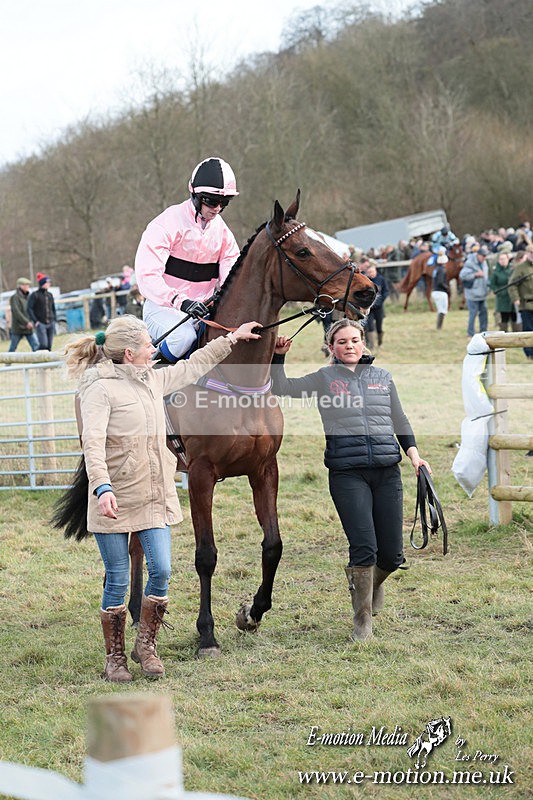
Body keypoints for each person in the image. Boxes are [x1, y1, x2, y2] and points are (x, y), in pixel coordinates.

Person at [63, 314, 262, 682]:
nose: (155, 349)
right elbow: (91, 444)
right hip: (115, 497)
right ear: (129, 352)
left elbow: (194, 364)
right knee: (119, 578)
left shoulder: (152, 379)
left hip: (155, 494)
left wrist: (232, 337)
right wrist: (102, 487)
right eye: (148, 345)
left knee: (164, 571)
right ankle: (116, 657)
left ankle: (147, 645)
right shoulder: (99, 389)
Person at [271, 319, 431, 642]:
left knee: (392, 555)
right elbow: (282, 388)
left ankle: (363, 584)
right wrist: (278, 358)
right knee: (365, 548)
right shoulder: (323, 379)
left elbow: (399, 419)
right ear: (331, 348)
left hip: (388, 471)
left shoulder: (382, 377)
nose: (349, 346)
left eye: (354, 340)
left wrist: (414, 455)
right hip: (347, 473)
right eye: (342, 342)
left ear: (363, 343)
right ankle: (362, 622)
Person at [135, 157, 240, 364]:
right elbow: (147, 278)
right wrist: (181, 301)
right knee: (183, 337)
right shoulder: (165, 224)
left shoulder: (223, 233)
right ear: (195, 194)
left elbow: (232, 275)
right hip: (163, 308)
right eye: (211, 200)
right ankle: (154, 378)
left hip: (203, 310)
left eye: (224, 203)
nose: (217, 208)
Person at [507, 247, 533, 361]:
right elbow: (512, 284)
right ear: (527, 254)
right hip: (526, 305)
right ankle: (530, 354)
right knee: (528, 330)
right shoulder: (521, 268)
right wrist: (515, 298)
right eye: (531, 253)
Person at [459, 246, 490, 337]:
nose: (484, 258)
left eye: (485, 256)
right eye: (483, 256)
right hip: (472, 293)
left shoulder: (484, 263)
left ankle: (484, 331)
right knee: (473, 313)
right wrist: (475, 274)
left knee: (484, 313)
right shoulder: (469, 263)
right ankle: (470, 332)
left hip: (482, 293)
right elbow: (462, 275)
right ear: (478, 255)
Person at [8, 277, 39, 352]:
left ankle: (38, 362)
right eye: (26, 285)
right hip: (18, 328)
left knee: (36, 346)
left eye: (28, 285)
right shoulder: (15, 297)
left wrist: (32, 321)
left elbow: (31, 310)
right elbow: (17, 312)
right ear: (20, 286)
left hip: (29, 328)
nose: (27, 287)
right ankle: (7, 363)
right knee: (13, 347)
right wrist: (26, 322)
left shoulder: (29, 297)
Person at [363, 261, 389, 349]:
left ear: (376, 271)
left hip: (379, 307)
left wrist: (380, 301)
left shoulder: (381, 279)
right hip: (369, 308)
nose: (371, 274)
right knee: (369, 326)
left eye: (372, 272)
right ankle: (371, 345)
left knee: (379, 326)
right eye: (369, 272)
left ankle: (380, 343)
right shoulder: (365, 280)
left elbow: (386, 292)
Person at [27, 275, 57, 350]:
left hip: (50, 322)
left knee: (49, 345)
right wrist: (35, 321)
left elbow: (53, 308)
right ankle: (37, 357)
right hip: (41, 323)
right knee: (43, 344)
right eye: (47, 282)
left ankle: (48, 361)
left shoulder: (50, 295)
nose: (49, 284)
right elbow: (29, 308)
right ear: (43, 283)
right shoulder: (35, 295)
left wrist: (54, 319)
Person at [489, 252, 517, 332]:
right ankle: (504, 336)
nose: (503, 261)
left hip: (512, 297)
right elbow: (492, 284)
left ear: (508, 259)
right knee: (504, 319)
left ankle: (517, 337)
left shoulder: (513, 270)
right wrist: (498, 292)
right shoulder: (496, 272)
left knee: (515, 318)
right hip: (502, 299)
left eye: (504, 259)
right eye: (501, 259)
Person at [431, 251, 450, 330]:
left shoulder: (436, 269)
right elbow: (440, 282)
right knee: (442, 310)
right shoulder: (442, 270)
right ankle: (439, 327)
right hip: (440, 292)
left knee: (440, 310)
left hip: (435, 291)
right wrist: (447, 288)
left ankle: (439, 326)